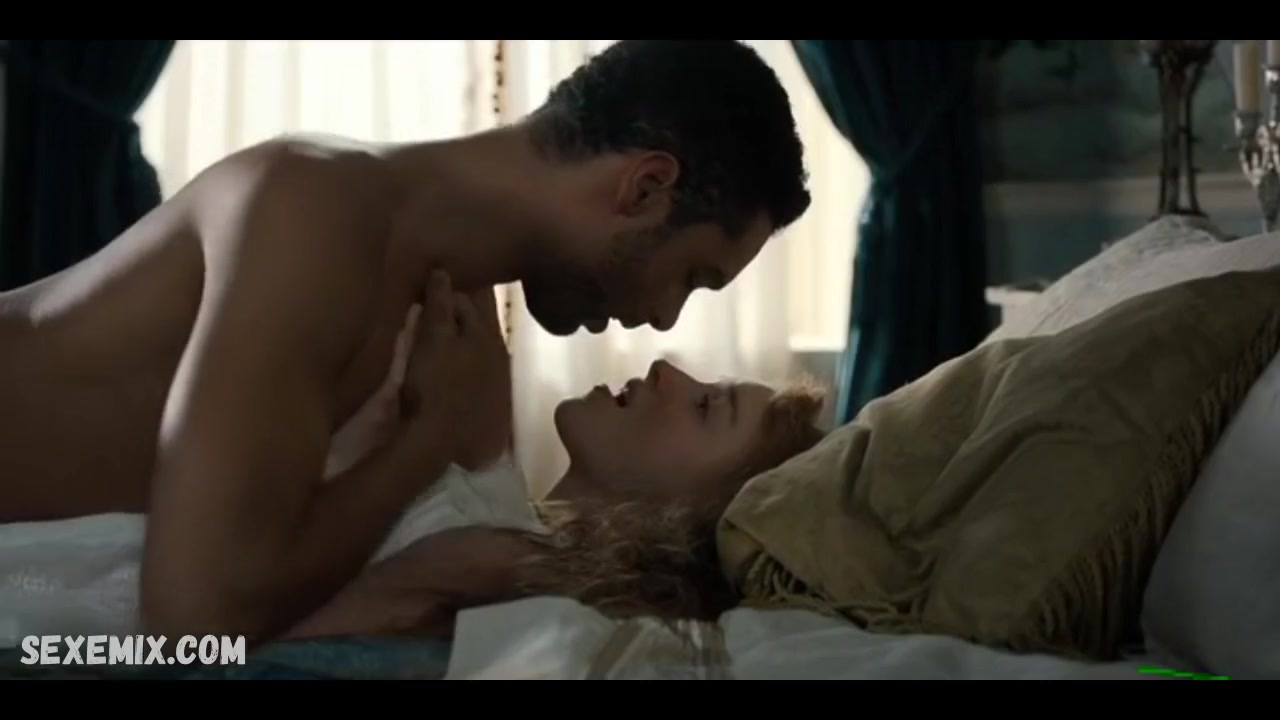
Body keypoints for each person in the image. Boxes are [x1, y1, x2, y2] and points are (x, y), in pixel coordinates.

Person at [0, 40, 811, 641]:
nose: (664, 321)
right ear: (645, 188)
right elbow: (193, 624)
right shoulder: (313, 210)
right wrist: (419, 443)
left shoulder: (461, 332)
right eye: (692, 276)